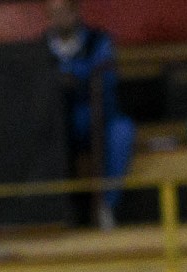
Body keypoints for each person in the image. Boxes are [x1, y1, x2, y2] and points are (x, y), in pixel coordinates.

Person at [43, 0, 135, 227]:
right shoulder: (40, 46)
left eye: (64, 12)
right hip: (57, 119)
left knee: (122, 131)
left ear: (76, 12)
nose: (59, 18)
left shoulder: (98, 41)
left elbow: (107, 81)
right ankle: (50, 212)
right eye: (53, 13)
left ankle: (107, 206)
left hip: (95, 115)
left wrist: (74, 76)